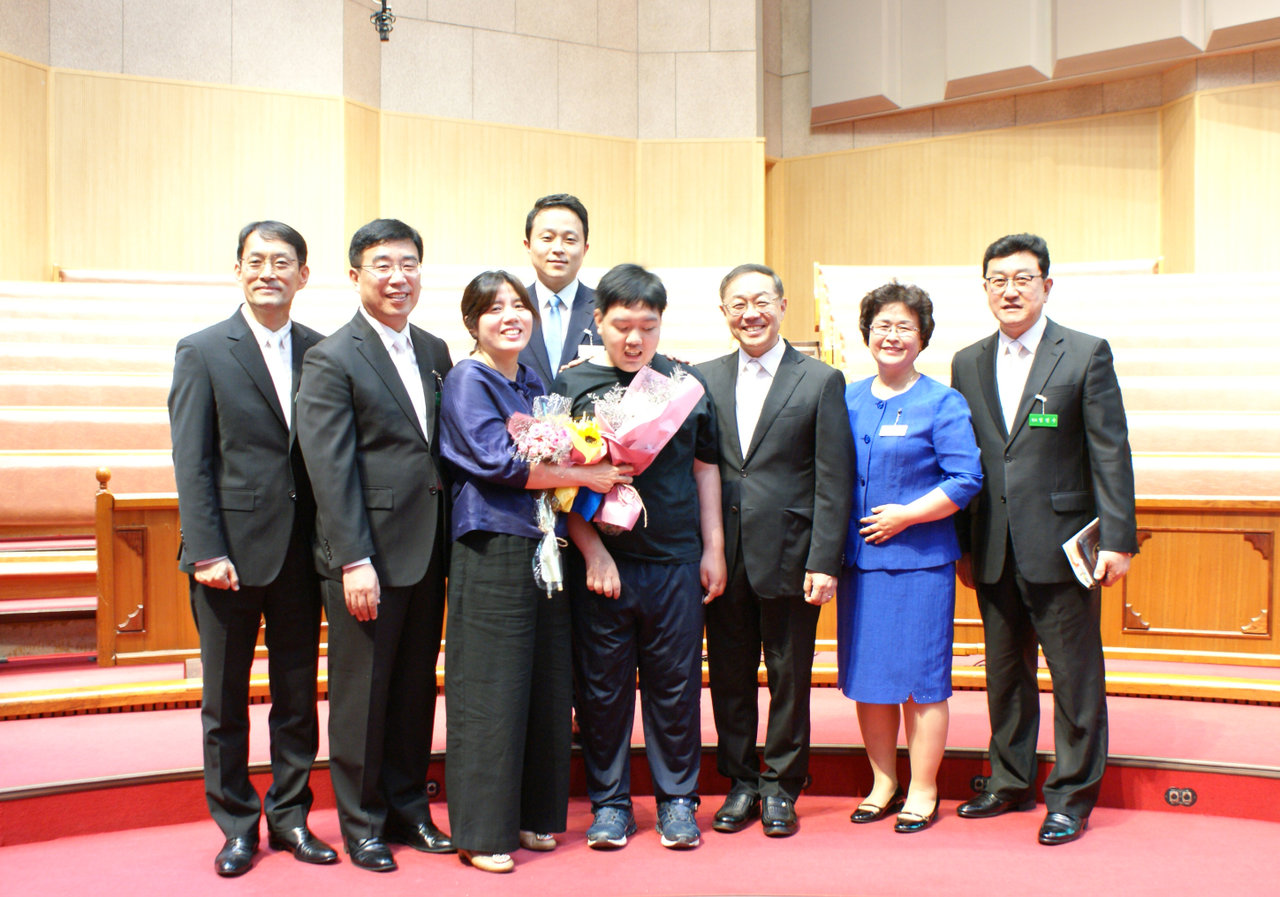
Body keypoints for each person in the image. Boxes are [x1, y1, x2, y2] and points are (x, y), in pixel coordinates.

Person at [438, 271, 632, 874]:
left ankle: (533, 815)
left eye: (518, 305)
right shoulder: (469, 379)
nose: (510, 316)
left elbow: (555, 448)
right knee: (491, 689)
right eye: (494, 308)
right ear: (473, 322)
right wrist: (584, 474)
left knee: (545, 682)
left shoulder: (531, 380)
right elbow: (499, 463)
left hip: (544, 543)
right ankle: (482, 832)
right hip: (492, 544)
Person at [950, 233, 1138, 845]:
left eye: (1023, 278)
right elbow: (967, 459)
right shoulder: (967, 361)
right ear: (985, 289)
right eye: (998, 280)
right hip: (993, 545)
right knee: (1005, 675)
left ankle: (1072, 796)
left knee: (1074, 677)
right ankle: (1009, 781)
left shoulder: (1084, 353)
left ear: (1046, 286)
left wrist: (1118, 539)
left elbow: (1110, 452)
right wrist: (964, 544)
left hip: (1062, 545)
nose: (1010, 290)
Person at [169, 221, 336, 876]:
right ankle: (236, 824)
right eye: (256, 260)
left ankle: (291, 816)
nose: (269, 271)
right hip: (227, 558)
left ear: (303, 274)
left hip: (301, 555)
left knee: (297, 697)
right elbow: (192, 462)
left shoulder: (322, 351)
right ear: (237, 269)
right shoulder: (203, 349)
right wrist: (207, 549)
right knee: (225, 699)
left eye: (282, 261)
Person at [295, 219, 455, 872]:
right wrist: (353, 559)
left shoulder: (435, 348)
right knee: (362, 695)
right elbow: (329, 468)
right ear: (355, 274)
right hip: (367, 557)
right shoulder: (331, 356)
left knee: (415, 689)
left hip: (428, 550)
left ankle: (409, 808)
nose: (398, 277)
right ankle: (361, 823)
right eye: (383, 264)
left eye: (409, 263)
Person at [552, 263, 726, 851]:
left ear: (661, 324)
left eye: (647, 327)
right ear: (598, 320)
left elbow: (705, 469)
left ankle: (677, 801)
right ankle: (610, 805)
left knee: (675, 686)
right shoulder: (572, 386)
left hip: (676, 560)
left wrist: (713, 548)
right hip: (602, 567)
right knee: (601, 691)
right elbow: (560, 484)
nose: (635, 339)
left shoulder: (684, 384)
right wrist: (594, 552)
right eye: (622, 325)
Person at [697, 264, 854, 837]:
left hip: (792, 552)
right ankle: (741, 782)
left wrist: (824, 559)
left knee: (790, 676)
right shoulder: (701, 378)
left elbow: (834, 478)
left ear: (783, 306)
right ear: (724, 313)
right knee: (729, 674)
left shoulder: (819, 380)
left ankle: (783, 786)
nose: (751, 313)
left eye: (761, 301)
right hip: (720, 552)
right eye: (738, 304)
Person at [837, 282, 982, 834]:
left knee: (922, 682)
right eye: (882, 326)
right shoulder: (847, 398)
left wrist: (907, 515)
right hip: (860, 565)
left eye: (904, 327)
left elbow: (965, 478)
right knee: (869, 680)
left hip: (920, 563)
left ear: (922, 337)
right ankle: (883, 783)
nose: (892, 336)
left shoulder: (942, 402)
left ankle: (923, 788)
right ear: (867, 334)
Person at [519, 193, 600, 386]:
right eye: (547, 238)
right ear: (528, 245)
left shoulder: (608, 308)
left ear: (585, 249)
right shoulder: (509, 310)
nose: (558, 248)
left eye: (570, 240)